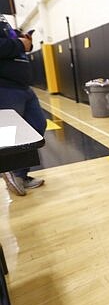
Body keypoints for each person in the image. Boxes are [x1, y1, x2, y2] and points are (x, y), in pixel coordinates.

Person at [0, 14, 47, 196]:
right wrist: (20, 44)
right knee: (11, 134)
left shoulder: (4, 21)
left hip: (23, 86)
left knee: (37, 126)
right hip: (5, 87)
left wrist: (24, 40)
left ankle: (21, 174)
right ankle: (11, 172)